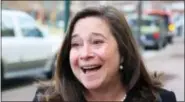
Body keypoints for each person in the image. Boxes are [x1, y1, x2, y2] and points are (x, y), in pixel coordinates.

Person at [33, 6, 177, 102]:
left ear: (123, 51)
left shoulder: (161, 99)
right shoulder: (45, 98)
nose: (85, 54)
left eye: (97, 42)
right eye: (76, 44)